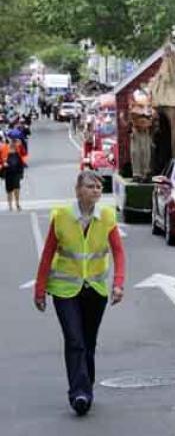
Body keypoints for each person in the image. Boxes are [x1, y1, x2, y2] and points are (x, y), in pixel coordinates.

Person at [33, 171, 126, 415]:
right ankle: (79, 394)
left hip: (95, 290)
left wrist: (118, 283)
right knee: (74, 340)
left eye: (98, 187)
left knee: (88, 342)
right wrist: (40, 290)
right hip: (65, 290)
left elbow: (118, 252)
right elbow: (48, 255)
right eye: (90, 186)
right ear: (77, 190)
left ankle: (86, 385)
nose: (95, 190)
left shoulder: (106, 216)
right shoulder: (62, 216)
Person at [0, 134, 29, 211]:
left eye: (14, 140)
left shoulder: (18, 147)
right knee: (9, 189)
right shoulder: (4, 148)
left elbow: (24, 154)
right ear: (8, 140)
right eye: (11, 140)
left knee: (17, 187)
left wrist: (21, 145)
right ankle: (10, 205)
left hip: (17, 171)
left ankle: (17, 203)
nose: (13, 142)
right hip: (7, 171)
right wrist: (3, 163)